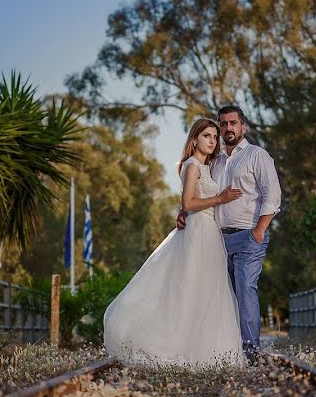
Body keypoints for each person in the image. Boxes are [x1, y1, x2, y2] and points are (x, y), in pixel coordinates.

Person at [103, 118, 245, 366]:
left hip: (208, 232)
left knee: (208, 290)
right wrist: (220, 198)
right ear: (194, 140)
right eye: (206, 136)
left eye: (214, 136)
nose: (212, 141)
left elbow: (185, 205)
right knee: (191, 288)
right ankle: (180, 345)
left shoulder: (205, 167)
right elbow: (189, 203)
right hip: (198, 232)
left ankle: (208, 351)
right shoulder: (192, 166)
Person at [178, 105, 282, 363]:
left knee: (245, 289)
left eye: (232, 123)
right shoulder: (215, 161)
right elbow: (198, 196)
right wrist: (183, 212)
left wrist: (259, 231)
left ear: (242, 127)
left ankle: (251, 352)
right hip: (216, 240)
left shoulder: (257, 156)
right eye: (223, 124)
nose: (227, 129)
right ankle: (227, 350)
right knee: (222, 295)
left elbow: (273, 196)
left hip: (248, 236)